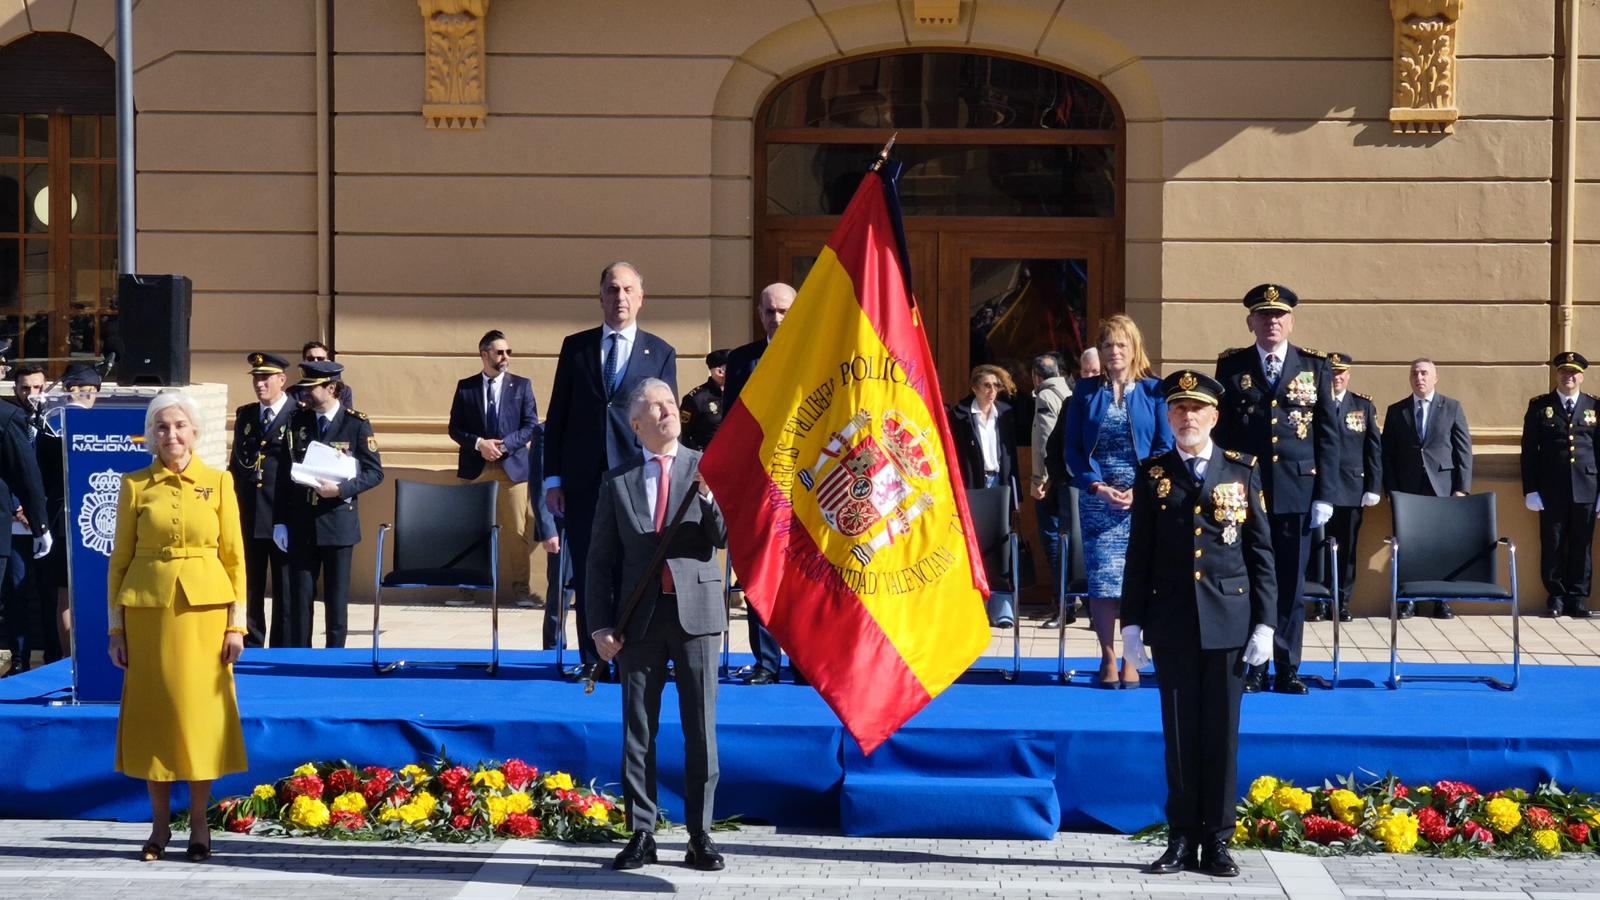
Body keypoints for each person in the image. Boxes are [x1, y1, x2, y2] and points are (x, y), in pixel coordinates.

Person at [1121, 370, 1275, 880]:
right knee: (1180, 735)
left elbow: (1261, 557)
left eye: (1196, 409)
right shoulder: (1153, 475)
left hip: (1229, 622)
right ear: (1167, 417)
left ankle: (1219, 841)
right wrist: (1130, 625)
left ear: (1215, 416)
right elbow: (1138, 555)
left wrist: (1265, 625)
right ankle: (1182, 838)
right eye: (1178, 409)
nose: (1187, 417)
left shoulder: (1242, 471)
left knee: (1222, 734)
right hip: (1172, 622)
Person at [587, 378, 726, 873]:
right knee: (638, 731)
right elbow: (600, 561)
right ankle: (642, 832)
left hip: (698, 617)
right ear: (636, 423)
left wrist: (709, 498)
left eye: (670, 403)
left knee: (700, 730)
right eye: (654, 406)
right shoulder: (617, 480)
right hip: (638, 621)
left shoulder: (706, 468)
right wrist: (600, 627)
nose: (667, 411)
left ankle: (700, 835)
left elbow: (722, 535)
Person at [106, 389, 248, 863]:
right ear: (151, 435)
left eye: (179, 426)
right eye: (162, 427)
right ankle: (159, 827)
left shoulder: (220, 483)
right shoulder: (134, 485)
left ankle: (201, 825)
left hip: (206, 616)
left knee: (197, 719)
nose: (171, 435)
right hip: (149, 616)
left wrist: (237, 626)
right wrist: (116, 630)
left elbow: (234, 559)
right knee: (157, 717)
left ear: (194, 432)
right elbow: (119, 562)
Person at [543, 262, 677, 683]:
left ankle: (633, 655)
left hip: (637, 480)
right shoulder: (576, 348)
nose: (620, 297)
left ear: (641, 297)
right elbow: (557, 417)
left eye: (628, 290)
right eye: (612, 289)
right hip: (584, 483)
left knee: (634, 568)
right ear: (600, 296)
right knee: (589, 569)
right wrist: (552, 480)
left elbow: (666, 422)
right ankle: (592, 657)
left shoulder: (661, 352)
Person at [1214, 283, 1338, 696]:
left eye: (1279, 315)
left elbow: (1328, 435)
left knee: (1289, 583)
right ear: (1250, 322)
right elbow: (1223, 435)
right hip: (1245, 493)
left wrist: (1325, 493)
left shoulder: (1314, 366)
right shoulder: (1232, 368)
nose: (1272, 323)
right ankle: (1252, 664)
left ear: (1291, 321)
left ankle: (1286, 666)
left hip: (1296, 493)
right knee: (1247, 579)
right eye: (1263, 316)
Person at [1064, 315, 1172, 687]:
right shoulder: (1084, 391)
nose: (1114, 352)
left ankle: (1132, 655)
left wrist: (1140, 490)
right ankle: (1108, 656)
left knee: (1136, 579)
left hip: (1141, 499)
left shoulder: (1153, 390)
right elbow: (1073, 450)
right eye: (1108, 345)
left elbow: (1163, 447)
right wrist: (1096, 486)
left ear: (1134, 349)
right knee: (1103, 581)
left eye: (1121, 345)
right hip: (1099, 500)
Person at [273, 360, 384, 647]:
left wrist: (342, 489)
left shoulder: (355, 423)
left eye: (312, 388)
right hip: (302, 523)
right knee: (300, 598)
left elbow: (375, 472)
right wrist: (279, 521)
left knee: (336, 601)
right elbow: (283, 476)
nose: (305, 395)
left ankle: (334, 658)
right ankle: (300, 657)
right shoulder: (298, 421)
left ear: (331, 388)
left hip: (338, 522)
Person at [447, 330, 558, 608]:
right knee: (469, 529)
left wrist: (505, 445)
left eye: (508, 352)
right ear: (484, 354)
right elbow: (455, 428)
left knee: (517, 530)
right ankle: (467, 591)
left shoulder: (521, 386)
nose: (505, 357)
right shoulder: (466, 387)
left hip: (514, 469)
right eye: (499, 352)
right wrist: (479, 444)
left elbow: (531, 425)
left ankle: (521, 591)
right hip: (476, 468)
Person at [720, 282, 796, 685]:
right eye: (770, 312)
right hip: (757, 484)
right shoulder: (742, 361)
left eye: (784, 311)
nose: (777, 319)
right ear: (759, 314)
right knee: (758, 574)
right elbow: (731, 422)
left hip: (805, 485)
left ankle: (803, 661)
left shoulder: (817, 353)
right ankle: (767, 661)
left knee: (803, 577)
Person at [1380, 357, 1472, 618]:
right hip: (1407, 489)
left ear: (1435, 377)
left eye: (1423, 373)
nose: (1419, 378)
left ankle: (1441, 599)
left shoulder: (1451, 407)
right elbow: (1387, 454)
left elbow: (1463, 451)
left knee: (1442, 544)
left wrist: (1462, 488)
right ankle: (1408, 599)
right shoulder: (1397, 410)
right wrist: (1392, 489)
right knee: (1408, 544)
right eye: (1414, 374)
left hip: (1441, 486)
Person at [1521, 351, 1597, 619]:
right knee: (1552, 542)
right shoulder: (1540, 406)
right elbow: (1529, 452)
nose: (1569, 377)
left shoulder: (1594, 406)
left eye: (1574, 372)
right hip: (1550, 489)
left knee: (1581, 543)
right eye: (1564, 372)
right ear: (1557, 374)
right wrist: (1530, 489)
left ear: (1582, 376)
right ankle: (1556, 596)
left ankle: (1578, 597)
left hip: (1587, 487)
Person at [228, 352, 295, 648]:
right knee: (250, 586)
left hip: (282, 515)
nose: (259, 384)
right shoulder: (246, 415)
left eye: (265, 378)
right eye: (256, 378)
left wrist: (291, 518)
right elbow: (236, 467)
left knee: (285, 589)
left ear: (282, 380)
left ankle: (281, 647)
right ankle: (253, 643)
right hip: (250, 513)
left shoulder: (298, 415)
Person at [949, 364, 1022, 627]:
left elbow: (1010, 454)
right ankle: (974, 606)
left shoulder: (1005, 414)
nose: (992, 391)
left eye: (996, 386)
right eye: (987, 386)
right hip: (973, 483)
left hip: (1000, 482)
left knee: (1000, 544)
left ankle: (1001, 606)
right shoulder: (960, 415)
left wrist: (1017, 494)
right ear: (974, 388)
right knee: (974, 545)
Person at [1313, 352, 1382, 623]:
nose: (1336, 378)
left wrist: (1373, 486)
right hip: (1319, 490)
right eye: (1331, 373)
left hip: (1352, 488)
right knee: (1318, 549)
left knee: (1347, 549)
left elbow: (1373, 449)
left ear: (1348, 375)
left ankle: (1341, 601)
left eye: (1340, 373)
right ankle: (1319, 602)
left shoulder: (1362, 405)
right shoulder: (1315, 403)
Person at [2, 365, 58, 672]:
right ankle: (19, 661)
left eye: (37, 388)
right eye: (25, 389)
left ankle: (53, 658)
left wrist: (39, 512)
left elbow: (55, 474)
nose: (31, 394)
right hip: (13, 523)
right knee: (16, 592)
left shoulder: (55, 425)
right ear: (15, 390)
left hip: (46, 523)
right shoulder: (7, 421)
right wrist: (16, 507)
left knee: (50, 595)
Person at [1029, 354, 1072, 629]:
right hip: (1068, 479)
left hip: (1051, 482)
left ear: (1036, 375)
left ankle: (1061, 605)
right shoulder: (1068, 391)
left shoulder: (1045, 397)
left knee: (1054, 542)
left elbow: (1045, 439)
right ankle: (1069, 603)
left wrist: (1039, 479)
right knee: (1067, 540)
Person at [679, 349, 729, 451]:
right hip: (706, 459)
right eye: (733, 367)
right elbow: (684, 435)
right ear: (720, 372)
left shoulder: (740, 392)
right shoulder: (696, 399)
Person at [295, 341, 356, 411]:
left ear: (328, 361)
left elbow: (347, 418)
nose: (316, 362)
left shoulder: (344, 390)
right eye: (310, 359)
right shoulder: (294, 392)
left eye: (320, 359)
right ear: (304, 362)